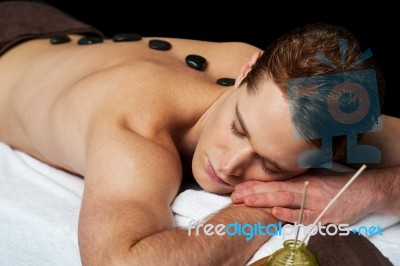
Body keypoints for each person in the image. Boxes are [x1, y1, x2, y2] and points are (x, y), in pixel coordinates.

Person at [0, 1, 399, 265]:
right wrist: (270, 205)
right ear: (246, 71)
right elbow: (122, 262)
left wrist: (372, 191)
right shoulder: (137, 128)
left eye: (271, 165)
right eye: (238, 130)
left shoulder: (306, 101)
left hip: (67, 39)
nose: (229, 164)